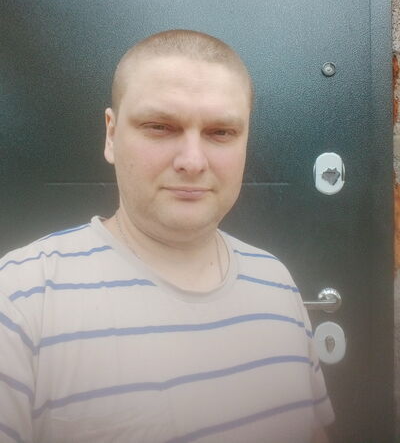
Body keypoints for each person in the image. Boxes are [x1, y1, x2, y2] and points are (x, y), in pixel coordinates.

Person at [0, 30, 334, 443]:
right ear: (111, 134)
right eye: (160, 127)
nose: (192, 161)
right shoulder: (21, 299)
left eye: (221, 132)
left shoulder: (276, 282)